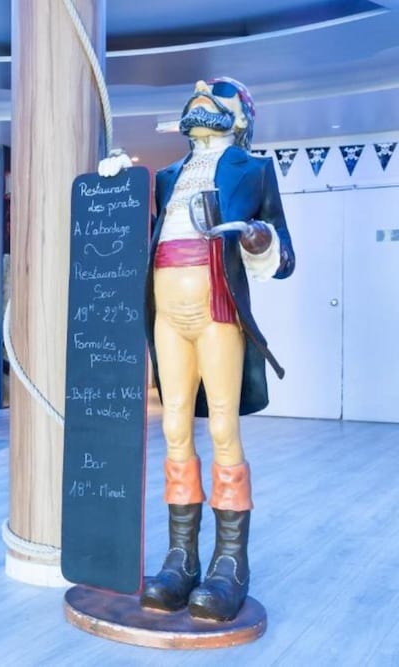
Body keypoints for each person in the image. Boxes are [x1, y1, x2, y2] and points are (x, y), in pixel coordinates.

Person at [101, 77, 295, 621]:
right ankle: (181, 558)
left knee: (224, 428)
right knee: (173, 427)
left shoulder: (255, 170)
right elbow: (139, 233)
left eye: (220, 90)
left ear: (241, 117)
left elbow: (284, 254)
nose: (203, 87)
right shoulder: (166, 177)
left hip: (217, 312)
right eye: (202, 89)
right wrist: (118, 188)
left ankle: (230, 563)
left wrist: (259, 240)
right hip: (167, 315)